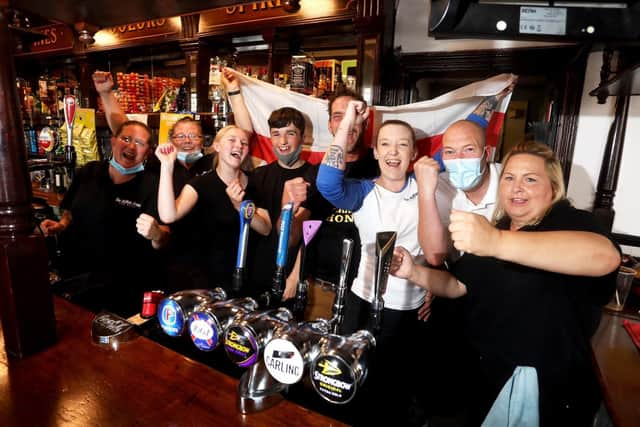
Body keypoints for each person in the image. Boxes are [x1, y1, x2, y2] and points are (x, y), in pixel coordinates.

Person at [391, 141, 621, 426]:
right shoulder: (498, 227)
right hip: (483, 377)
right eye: (510, 178)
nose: (517, 187)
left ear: (553, 187)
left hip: (543, 388)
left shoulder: (570, 220)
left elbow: (605, 257)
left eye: (530, 179)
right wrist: (414, 272)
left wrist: (496, 242)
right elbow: (458, 285)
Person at [316, 100, 455, 425]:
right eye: (385, 144)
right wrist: (350, 117)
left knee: (396, 393)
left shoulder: (428, 187)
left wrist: (433, 281)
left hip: (410, 310)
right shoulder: (363, 193)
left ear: (413, 155)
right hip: (361, 304)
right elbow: (326, 184)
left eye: (402, 145)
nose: (394, 152)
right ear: (375, 152)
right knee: (354, 385)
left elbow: (441, 246)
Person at [40, 120, 170, 316]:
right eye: (126, 139)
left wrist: (156, 234)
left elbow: (165, 236)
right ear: (113, 141)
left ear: (148, 152)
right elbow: (70, 210)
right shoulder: (88, 171)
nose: (131, 146)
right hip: (77, 275)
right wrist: (61, 225)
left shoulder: (154, 184)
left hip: (123, 285)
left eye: (140, 143)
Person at [156, 125, 271, 291]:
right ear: (217, 146)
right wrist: (166, 166)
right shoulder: (201, 184)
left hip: (249, 280)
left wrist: (240, 207)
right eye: (232, 140)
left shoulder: (256, 183)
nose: (239, 145)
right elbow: (168, 216)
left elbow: (266, 228)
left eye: (244, 143)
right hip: (210, 282)